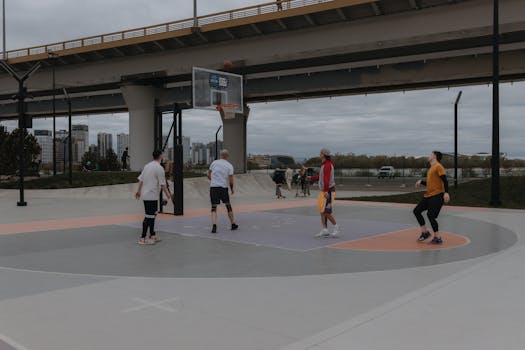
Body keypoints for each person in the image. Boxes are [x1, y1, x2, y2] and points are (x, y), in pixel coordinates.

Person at [135, 150, 172, 245]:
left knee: (153, 215)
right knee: (149, 216)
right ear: (161, 156)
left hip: (149, 195)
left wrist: (138, 191)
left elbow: (141, 180)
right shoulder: (159, 168)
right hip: (151, 195)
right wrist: (168, 195)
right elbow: (163, 185)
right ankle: (142, 238)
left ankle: (152, 235)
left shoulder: (147, 166)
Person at [413, 150, 450, 244]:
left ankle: (438, 238)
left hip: (437, 195)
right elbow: (430, 184)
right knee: (416, 211)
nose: (429, 156)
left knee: (430, 215)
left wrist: (446, 193)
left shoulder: (438, 166)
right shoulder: (431, 168)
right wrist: (421, 182)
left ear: (435, 157)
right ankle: (425, 233)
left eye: (431, 155)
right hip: (429, 195)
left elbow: (445, 181)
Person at [308, 148, 340, 238]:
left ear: (324, 155)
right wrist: (312, 178)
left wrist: (326, 191)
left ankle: (336, 227)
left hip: (328, 191)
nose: (319, 154)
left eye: (320, 153)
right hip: (324, 191)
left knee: (327, 212)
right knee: (322, 211)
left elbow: (326, 179)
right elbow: (321, 176)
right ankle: (325, 229)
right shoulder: (324, 165)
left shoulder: (327, 165)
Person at [208, 149, 239, 234]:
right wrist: (232, 188)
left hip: (214, 187)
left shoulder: (214, 163)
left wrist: (212, 180)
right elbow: (231, 180)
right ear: (227, 156)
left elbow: (209, 174)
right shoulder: (229, 166)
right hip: (223, 188)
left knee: (214, 207)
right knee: (228, 206)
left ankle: (214, 225)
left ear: (220, 155)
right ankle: (233, 224)